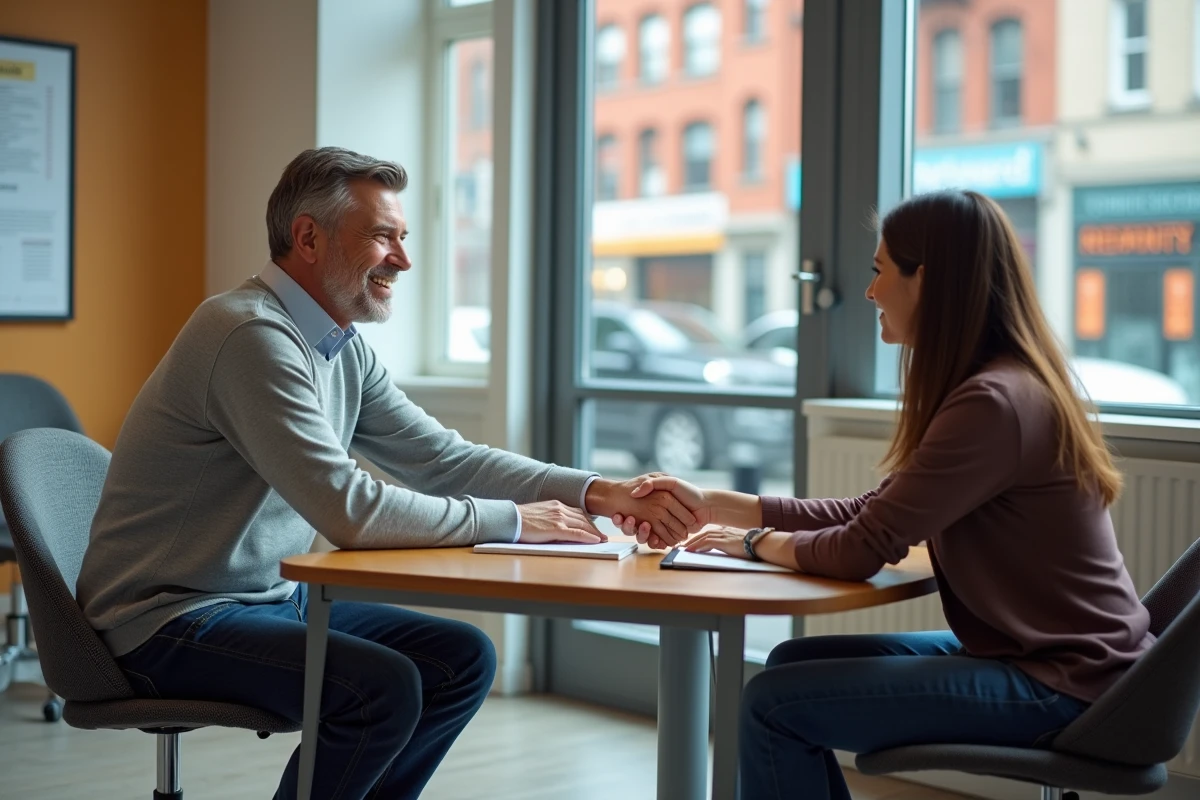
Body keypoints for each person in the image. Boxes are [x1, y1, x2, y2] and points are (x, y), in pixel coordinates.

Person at [76, 147, 695, 800]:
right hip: (166, 621)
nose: (402, 259)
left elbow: (444, 459)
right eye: (382, 237)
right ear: (308, 237)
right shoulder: (248, 336)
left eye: (402, 238)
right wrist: (517, 521)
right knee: (380, 688)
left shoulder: (337, 347)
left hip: (262, 604)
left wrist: (597, 492)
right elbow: (349, 510)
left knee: (460, 659)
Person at [610, 190, 1155, 800]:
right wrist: (715, 504)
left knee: (772, 703)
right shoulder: (1000, 387)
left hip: (1062, 681)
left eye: (879, 271)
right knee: (790, 665)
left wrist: (755, 544)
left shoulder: (992, 404)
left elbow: (859, 549)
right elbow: (869, 514)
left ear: (927, 280)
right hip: (1054, 658)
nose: (869, 291)